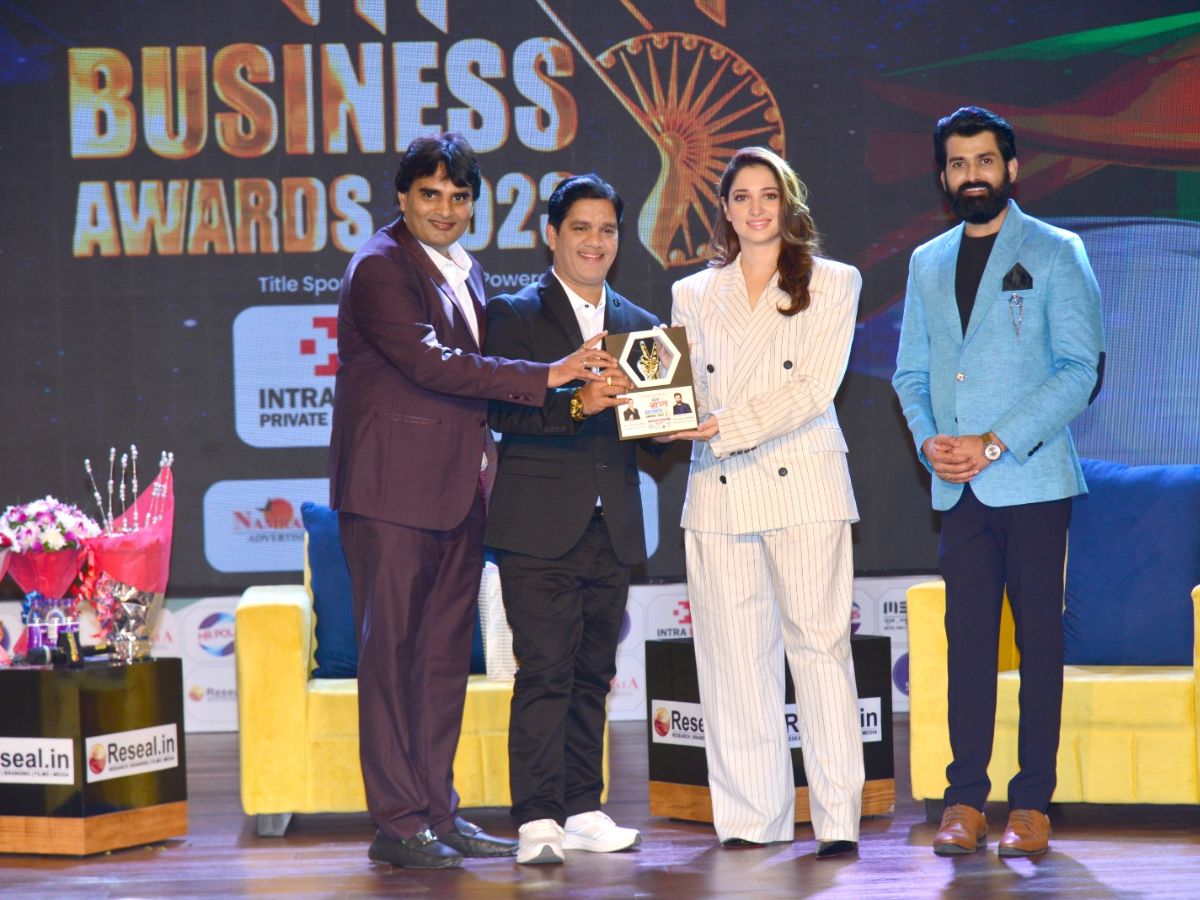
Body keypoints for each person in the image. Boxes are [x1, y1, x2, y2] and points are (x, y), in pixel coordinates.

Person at [328, 134, 614, 870]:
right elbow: (434, 364)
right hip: (391, 495)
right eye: (430, 194)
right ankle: (398, 823)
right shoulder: (380, 266)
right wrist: (548, 373)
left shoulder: (467, 269)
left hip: (460, 497)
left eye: (459, 197)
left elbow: (476, 382)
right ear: (402, 197)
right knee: (393, 661)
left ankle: (437, 812)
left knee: (441, 663)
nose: (445, 209)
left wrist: (571, 397)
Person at [892, 106, 1105, 858]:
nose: (971, 175)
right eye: (957, 164)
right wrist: (930, 443)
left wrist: (993, 441)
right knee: (968, 645)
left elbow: (1081, 370)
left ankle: (1033, 802)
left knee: (1040, 641)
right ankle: (963, 801)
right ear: (943, 176)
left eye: (984, 161)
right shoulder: (926, 261)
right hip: (958, 489)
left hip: (1032, 479)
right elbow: (910, 373)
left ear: (1010, 169)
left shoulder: (1055, 250)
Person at [664, 146, 864, 859]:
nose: (756, 209)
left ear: (788, 203)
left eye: (768, 195)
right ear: (723, 208)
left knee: (819, 650)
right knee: (731, 661)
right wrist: (672, 415)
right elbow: (687, 389)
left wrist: (723, 425)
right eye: (742, 196)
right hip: (717, 492)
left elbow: (814, 388)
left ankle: (837, 817)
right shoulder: (693, 293)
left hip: (802, 481)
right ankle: (752, 816)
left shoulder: (834, 281)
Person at [482, 173, 662, 865]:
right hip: (536, 528)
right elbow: (502, 410)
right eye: (580, 228)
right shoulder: (513, 314)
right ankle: (536, 819)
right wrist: (581, 402)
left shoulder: (642, 323)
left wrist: (674, 422)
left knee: (593, 675)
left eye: (607, 230)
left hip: (612, 527)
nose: (595, 242)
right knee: (544, 673)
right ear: (551, 234)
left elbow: (650, 431)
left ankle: (584, 807)